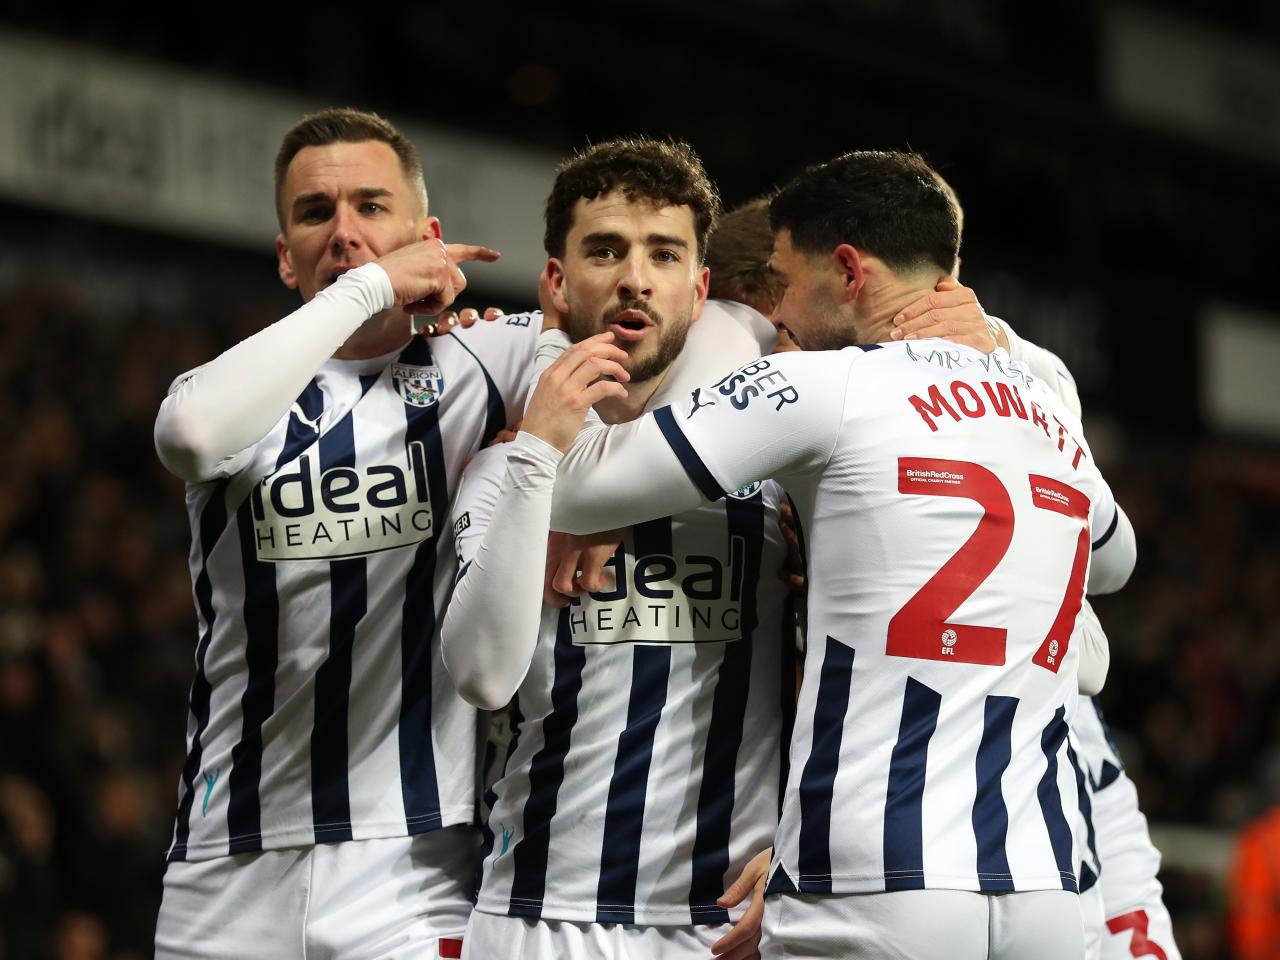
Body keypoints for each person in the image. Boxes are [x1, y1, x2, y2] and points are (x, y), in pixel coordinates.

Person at [527, 149, 1138, 959]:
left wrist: (543, 345)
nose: (777, 313)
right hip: (1044, 886)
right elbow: (1114, 560)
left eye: (783, 281)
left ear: (847, 270)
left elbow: (572, 484)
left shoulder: (831, 387)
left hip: (873, 874)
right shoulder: (1040, 402)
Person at [151, 108, 542, 959]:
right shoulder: (235, 390)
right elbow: (187, 437)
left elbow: (664, 338)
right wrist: (369, 289)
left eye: (371, 206)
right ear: (285, 255)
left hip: (412, 866)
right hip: (226, 858)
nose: (345, 230)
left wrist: (576, 494)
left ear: (426, 236)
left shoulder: (492, 361)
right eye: (315, 213)